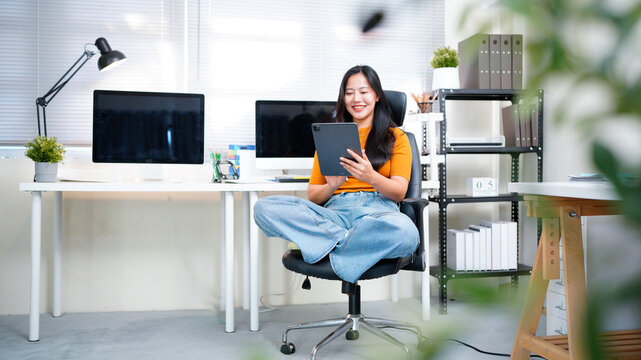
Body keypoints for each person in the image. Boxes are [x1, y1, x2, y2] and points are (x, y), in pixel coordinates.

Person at [253, 65, 419, 284]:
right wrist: (332, 185)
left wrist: (370, 176)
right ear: (343, 98)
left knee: (407, 233)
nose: (356, 98)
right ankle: (346, 243)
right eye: (349, 93)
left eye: (363, 91)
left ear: (377, 95)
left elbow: (398, 193)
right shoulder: (329, 136)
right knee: (263, 208)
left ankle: (324, 244)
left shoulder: (396, 137)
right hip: (334, 215)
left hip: (378, 215)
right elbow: (313, 196)